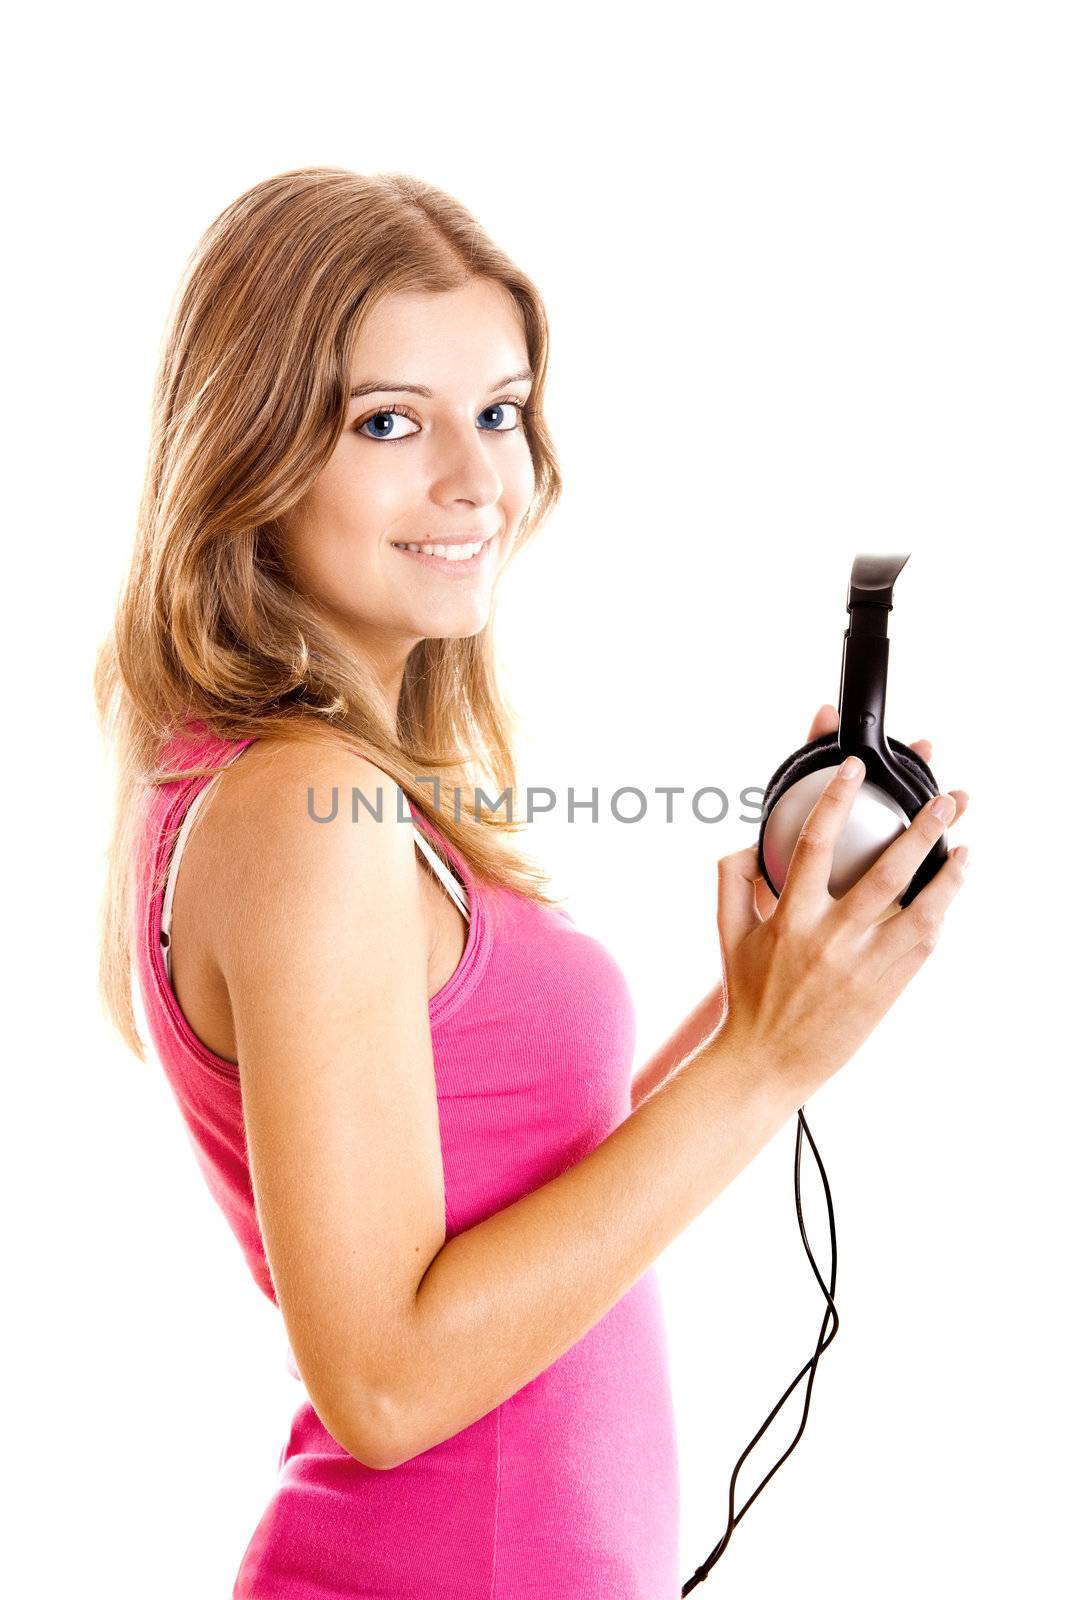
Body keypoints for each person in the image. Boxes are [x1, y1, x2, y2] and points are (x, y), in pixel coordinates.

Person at [94, 167, 970, 1599]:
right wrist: (756, 1066)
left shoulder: (302, 792)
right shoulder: (302, 815)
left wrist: (771, 1007)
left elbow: (522, 1194)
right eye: (390, 422)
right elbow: (383, 1382)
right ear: (248, 453)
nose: (476, 479)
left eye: (498, 411)